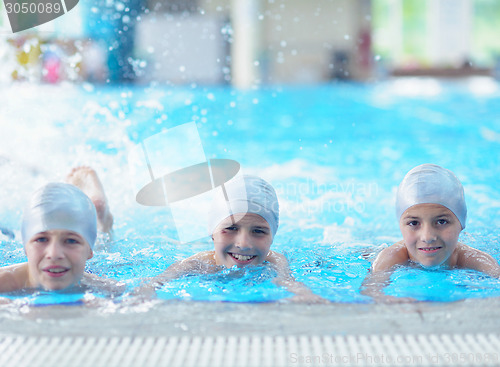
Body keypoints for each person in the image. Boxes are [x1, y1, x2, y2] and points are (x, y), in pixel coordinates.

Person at [138, 174, 327, 303]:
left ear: (272, 237)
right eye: (231, 228)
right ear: (212, 233)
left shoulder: (274, 261)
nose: (243, 244)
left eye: (259, 231)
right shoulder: (197, 264)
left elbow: (289, 283)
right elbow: (153, 283)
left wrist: (306, 295)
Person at [362, 164, 500, 303]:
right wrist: (388, 301)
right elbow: (370, 292)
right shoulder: (390, 257)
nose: (427, 237)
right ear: (400, 226)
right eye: (414, 223)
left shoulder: (475, 259)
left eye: (441, 222)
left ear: (461, 224)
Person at [0, 167, 118, 295]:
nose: (54, 254)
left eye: (71, 241)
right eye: (41, 239)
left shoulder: (108, 289)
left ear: (90, 251)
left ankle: (101, 219)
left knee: (99, 258)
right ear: (25, 247)